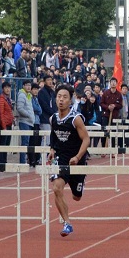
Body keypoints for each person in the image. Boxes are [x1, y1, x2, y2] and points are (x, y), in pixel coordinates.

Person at [49, 84, 90, 237]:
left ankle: (80, 183)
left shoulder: (75, 119)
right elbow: (53, 137)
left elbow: (86, 139)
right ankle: (67, 223)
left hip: (77, 158)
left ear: (70, 100)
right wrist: (52, 149)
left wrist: (78, 157)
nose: (61, 100)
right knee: (56, 188)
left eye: (65, 97)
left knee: (76, 197)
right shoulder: (53, 118)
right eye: (59, 96)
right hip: (61, 158)